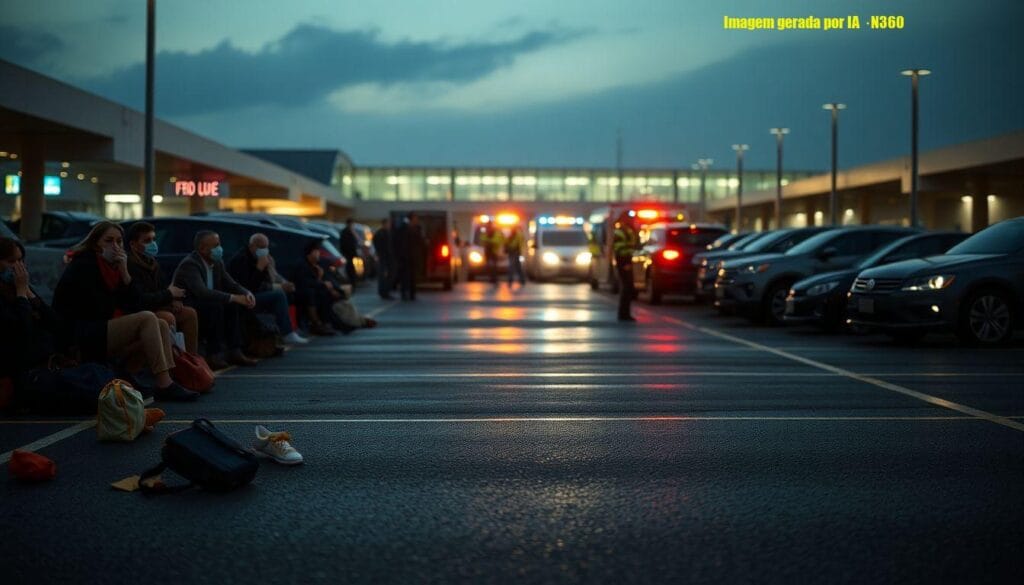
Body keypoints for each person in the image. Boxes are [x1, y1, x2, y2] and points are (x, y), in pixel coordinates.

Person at [52, 222, 197, 401]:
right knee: (147, 318)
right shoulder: (85, 264)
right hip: (83, 332)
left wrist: (125, 275)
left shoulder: (116, 266)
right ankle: (164, 384)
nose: (115, 246)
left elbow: (135, 304)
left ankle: (166, 380)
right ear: (96, 244)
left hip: (102, 327)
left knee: (160, 323)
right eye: (109, 241)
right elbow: (97, 308)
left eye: (119, 241)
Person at [173, 230, 258, 370]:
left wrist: (246, 293)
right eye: (215, 245)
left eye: (219, 244)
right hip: (190, 306)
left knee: (231, 306)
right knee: (217, 305)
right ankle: (213, 354)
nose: (220, 248)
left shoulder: (217, 262)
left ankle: (235, 351)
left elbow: (230, 283)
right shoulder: (190, 264)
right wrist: (234, 297)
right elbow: (202, 292)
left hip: (209, 304)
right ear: (202, 248)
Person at [0, 237, 63, 394]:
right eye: (11, 261)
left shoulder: (17, 285)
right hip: (17, 368)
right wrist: (21, 295)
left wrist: (29, 294)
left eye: (21, 260)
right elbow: (21, 331)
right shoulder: (13, 290)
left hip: (44, 362)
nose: (18, 267)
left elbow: (55, 324)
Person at [125, 222, 199, 354]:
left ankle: (190, 359)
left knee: (189, 313)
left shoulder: (152, 262)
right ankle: (170, 361)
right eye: (147, 241)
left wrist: (173, 300)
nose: (153, 244)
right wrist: (169, 295)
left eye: (154, 239)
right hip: (139, 311)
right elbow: (140, 299)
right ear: (133, 244)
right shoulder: (130, 265)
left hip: (155, 305)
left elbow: (162, 288)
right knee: (167, 318)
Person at [227, 233, 309, 345]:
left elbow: (270, 278)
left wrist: (281, 282)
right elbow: (248, 288)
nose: (264, 250)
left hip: (255, 294)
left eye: (266, 247)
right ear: (251, 246)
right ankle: (287, 334)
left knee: (290, 292)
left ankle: (291, 328)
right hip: (243, 298)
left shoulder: (260, 258)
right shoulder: (241, 259)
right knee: (278, 295)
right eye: (261, 247)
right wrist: (259, 269)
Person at [291, 240, 338, 336]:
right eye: (316, 251)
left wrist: (321, 278)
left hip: (311, 290)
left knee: (325, 293)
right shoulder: (302, 265)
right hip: (300, 292)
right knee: (311, 294)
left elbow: (315, 282)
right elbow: (305, 283)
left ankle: (326, 322)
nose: (318, 254)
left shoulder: (315, 265)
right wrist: (323, 284)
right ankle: (317, 324)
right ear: (310, 253)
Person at [612, 211, 640, 322]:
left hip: (627, 261)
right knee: (627, 288)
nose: (632, 220)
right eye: (630, 218)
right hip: (624, 262)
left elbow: (635, 245)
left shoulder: (629, 230)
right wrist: (625, 263)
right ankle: (623, 314)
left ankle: (625, 313)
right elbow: (619, 250)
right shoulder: (620, 232)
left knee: (628, 288)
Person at [395, 212, 426, 301]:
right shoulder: (404, 229)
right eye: (415, 219)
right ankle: (405, 292)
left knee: (413, 276)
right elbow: (400, 243)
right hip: (405, 257)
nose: (417, 220)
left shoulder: (416, 229)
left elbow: (420, 242)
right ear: (411, 219)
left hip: (413, 257)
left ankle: (412, 293)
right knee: (405, 276)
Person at [372, 218, 395, 300]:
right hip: (384, 257)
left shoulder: (382, 233)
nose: (389, 225)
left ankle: (384, 291)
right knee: (384, 275)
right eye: (388, 224)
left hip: (384, 257)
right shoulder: (382, 233)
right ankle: (384, 292)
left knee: (384, 275)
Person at [340, 218, 359, 287]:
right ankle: (352, 283)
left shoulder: (351, 231)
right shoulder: (346, 232)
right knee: (350, 269)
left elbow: (356, 241)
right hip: (348, 254)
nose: (353, 225)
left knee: (352, 269)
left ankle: (353, 283)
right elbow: (346, 244)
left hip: (350, 254)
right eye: (352, 224)